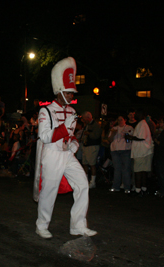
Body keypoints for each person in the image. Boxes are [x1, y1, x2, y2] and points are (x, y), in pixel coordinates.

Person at [33, 57, 97, 239]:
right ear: (59, 91)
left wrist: (74, 142)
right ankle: (42, 225)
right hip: (52, 154)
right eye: (68, 93)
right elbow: (45, 137)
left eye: (72, 93)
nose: (71, 96)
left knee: (82, 183)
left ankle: (78, 225)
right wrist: (63, 128)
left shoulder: (70, 111)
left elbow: (69, 136)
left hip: (67, 154)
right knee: (49, 190)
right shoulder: (45, 111)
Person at [127, 108, 154, 196]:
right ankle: (143, 188)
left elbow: (141, 137)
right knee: (143, 171)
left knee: (138, 171)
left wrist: (131, 137)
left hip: (141, 152)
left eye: (136, 114)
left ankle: (138, 190)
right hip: (145, 151)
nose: (134, 115)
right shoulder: (142, 124)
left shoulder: (142, 124)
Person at [108, 115, 134, 193]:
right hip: (115, 150)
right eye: (118, 120)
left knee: (126, 169)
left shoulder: (129, 128)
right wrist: (113, 133)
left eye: (121, 119)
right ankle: (116, 186)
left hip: (125, 150)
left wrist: (126, 135)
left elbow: (131, 137)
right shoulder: (114, 128)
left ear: (125, 120)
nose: (119, 121)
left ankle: (127, 187)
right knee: (117, 169)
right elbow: (109, 139)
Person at [81, 111, 102, 189]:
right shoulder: (88, 125)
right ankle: (86, 181)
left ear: (88, 118)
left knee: (92, 164)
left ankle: (92, 182)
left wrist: (89, 134)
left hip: (92, 146)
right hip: (86, 145)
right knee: (85, 163)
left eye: (84, 119)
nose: (83, 120)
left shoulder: (95, 125)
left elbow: (97, 135)